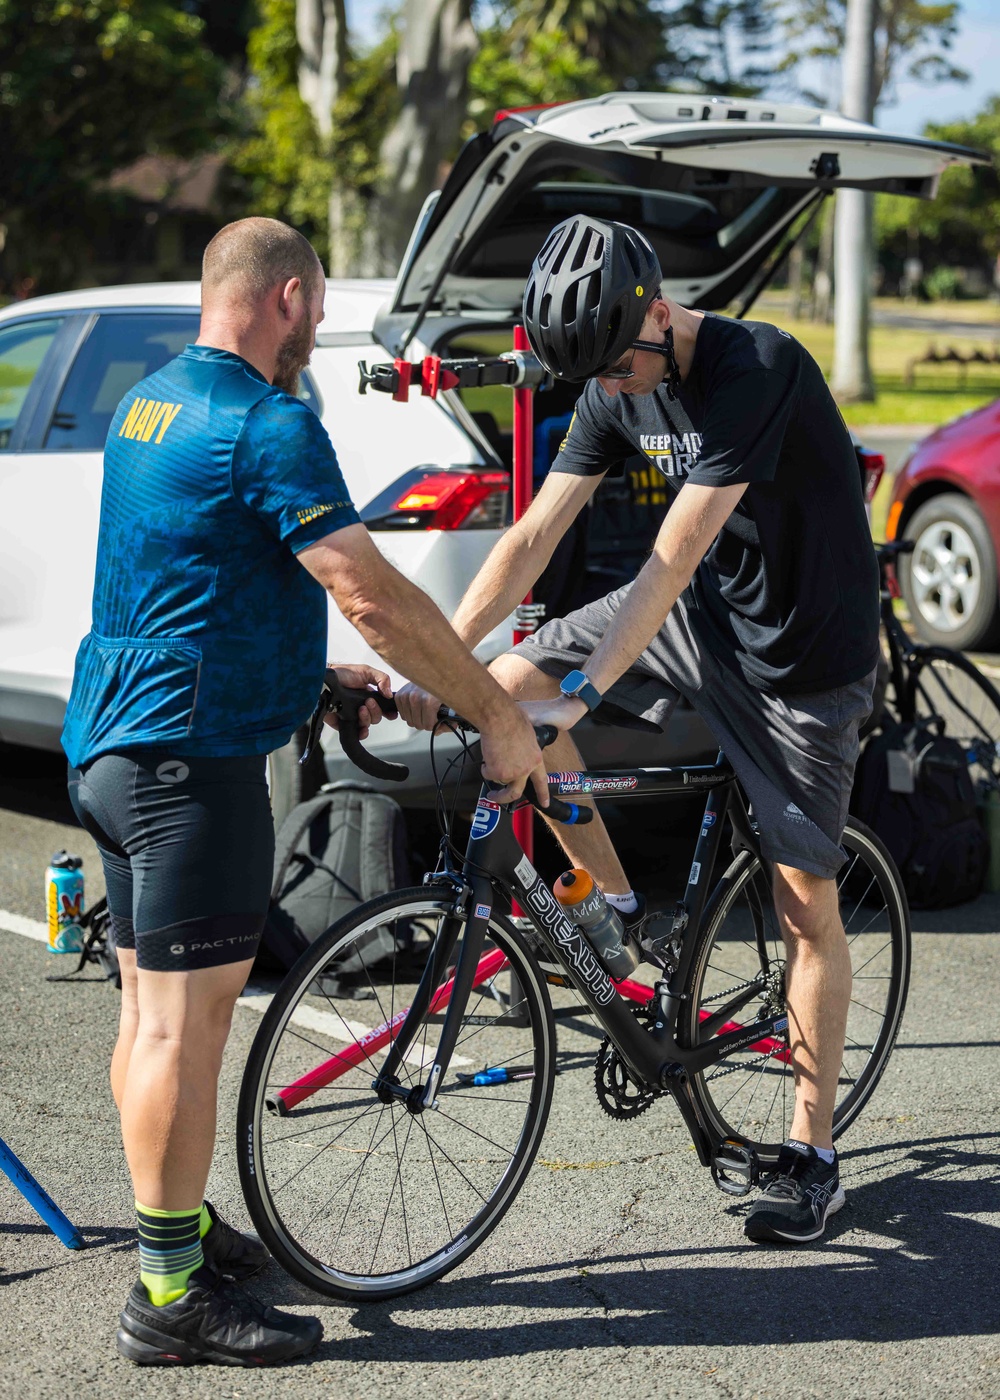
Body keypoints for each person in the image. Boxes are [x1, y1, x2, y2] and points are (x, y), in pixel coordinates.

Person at [62, 216, 547, 1367]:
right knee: (187, 1029)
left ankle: (172, 1234)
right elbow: (368, 588)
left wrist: (308, 675)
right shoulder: (268, 421)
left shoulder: (153, 400)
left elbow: (191, 570)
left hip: (113, 749)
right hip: (190, 766)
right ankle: (169, 1294)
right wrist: (492, 708)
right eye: (316, 311)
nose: (315, 334)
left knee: (148, 1017)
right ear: (285, 296)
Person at [397, 214, 880, 1246]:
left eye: (620, 364)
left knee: (804, 907)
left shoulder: (758, 366)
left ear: (657, 310)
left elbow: (670, 551)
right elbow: (531, 537)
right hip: (703, 622)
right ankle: (615, 906)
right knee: (508, 686)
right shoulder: (610, 378)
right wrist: (429, 663)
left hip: (803, 662)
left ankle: (813, 1152)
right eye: (596, 375)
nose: (612, 388)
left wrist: (586, 690)